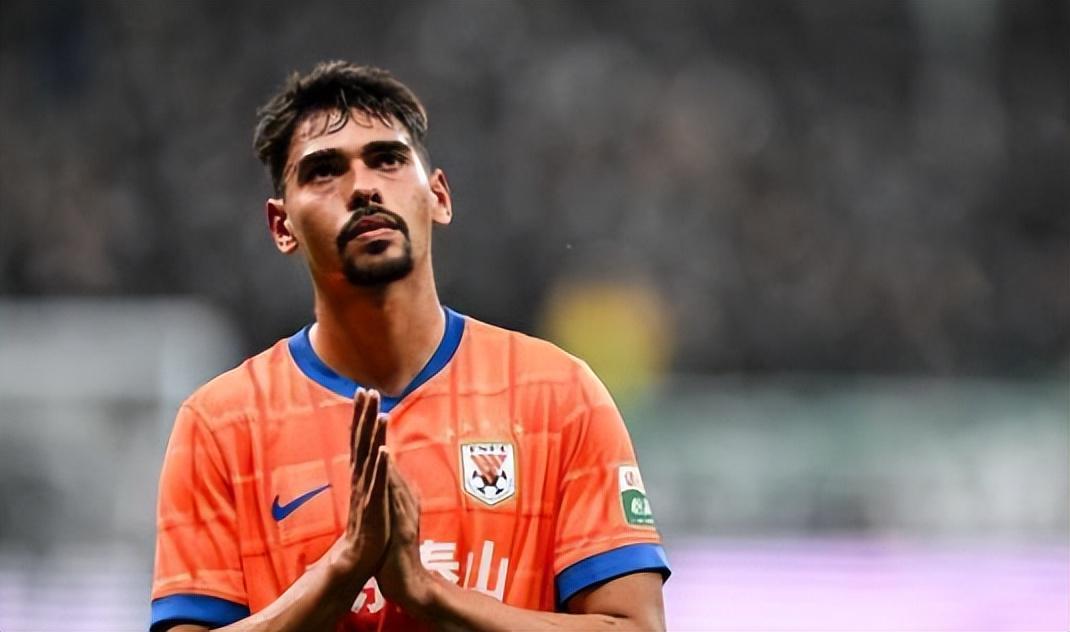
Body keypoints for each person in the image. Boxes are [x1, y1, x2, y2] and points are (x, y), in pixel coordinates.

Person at [150, 60, 670, 631]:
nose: (363, 187)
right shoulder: (222, 426)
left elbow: (636, 627)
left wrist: (427, 593)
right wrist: (343, 570)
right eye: (324, 171)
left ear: (439, 196)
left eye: (388, 159)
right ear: (282, 226)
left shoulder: (557, 396)